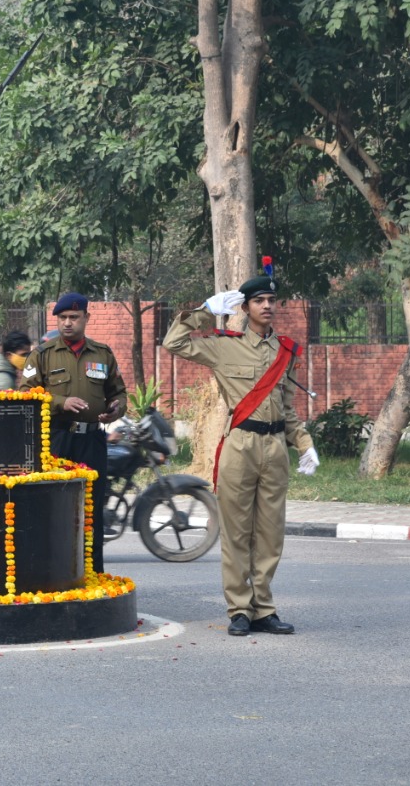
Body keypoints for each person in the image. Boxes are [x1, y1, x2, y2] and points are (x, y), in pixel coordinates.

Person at [162, 272, 319, 637]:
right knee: (236, 532)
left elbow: (287, 407)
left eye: (271, 300)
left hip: (275, 447)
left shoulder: (286, 351)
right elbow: (174, 341)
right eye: (259, 301)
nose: (267, 306)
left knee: (269, 533)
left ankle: (264, 608)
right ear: (244, 307)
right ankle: (239, 610)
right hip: (240, 446)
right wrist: (204, 311)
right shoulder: (223, 345)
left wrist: (305, 444)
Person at [19, 293, 127, 491]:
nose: (67, 323)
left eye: (74, 317)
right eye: (62, 318)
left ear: (86, 318)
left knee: (93, 502)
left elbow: (118, 393)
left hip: (92, 440)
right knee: (56, 500)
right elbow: (26, 395)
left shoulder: (103, 354)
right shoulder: (42, 355)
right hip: (56, 439)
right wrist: (61, 402)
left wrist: (115, 409)